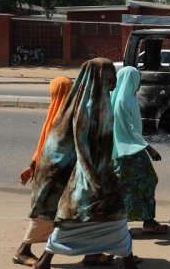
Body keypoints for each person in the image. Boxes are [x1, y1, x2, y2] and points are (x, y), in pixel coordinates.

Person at [30, 58, 137, 269]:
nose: (114, 79)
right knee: (76, 217)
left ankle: (102, 257)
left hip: (101, 171)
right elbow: (81, 145)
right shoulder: (88, 105)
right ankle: (45, 260)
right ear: (100, 77)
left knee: (109, 216)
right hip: (88, 174)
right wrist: (92, 178)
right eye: (110, 74)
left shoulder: (102, 99)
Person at [13, 77, 73, 267]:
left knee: (59, 217)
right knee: (46, 216)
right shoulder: (61, 117)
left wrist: (32, 165)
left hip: (55, 175)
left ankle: (93, 253)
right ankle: (23, 250)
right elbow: (50, 148)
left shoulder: (57, 112)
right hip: (54, 177)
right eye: (68, 90)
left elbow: (43, 146)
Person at [111, 66, 168, 234]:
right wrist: (149, 148)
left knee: (130, 186)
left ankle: (136, 222)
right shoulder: (124, 100)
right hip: (130, 152)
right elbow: (130, 129)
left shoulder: (122, 97)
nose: (139, 82)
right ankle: (144, 222)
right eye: (138, 78)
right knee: (146, 181)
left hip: (126, 150)